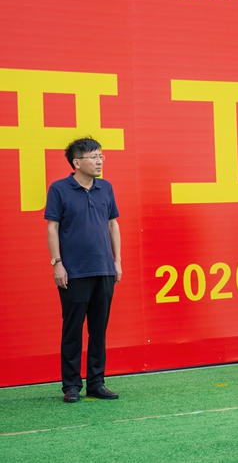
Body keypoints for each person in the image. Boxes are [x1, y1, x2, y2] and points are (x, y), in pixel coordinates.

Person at [45, 137, 122, 403]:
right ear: (77, 163)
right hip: (74, 271)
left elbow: (112, 224)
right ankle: (71, 385)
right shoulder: (59, 189)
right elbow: (52, 227)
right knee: (73, 329)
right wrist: (57, 263)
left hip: (103, 268)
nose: (100, 161)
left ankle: (97, 382)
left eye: (101, 156)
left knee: (99, 329)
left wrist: (117, 261)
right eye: (94, 157)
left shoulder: (106, 188)